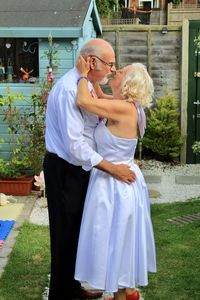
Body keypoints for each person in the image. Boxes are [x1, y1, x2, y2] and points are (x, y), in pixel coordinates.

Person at [43, 38, 136, 300]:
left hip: (82, 169)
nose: (113, 70)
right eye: (110, 64)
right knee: (64, 235)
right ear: (92, 61)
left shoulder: (88, 86)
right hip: (64, 170)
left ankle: (74, 287)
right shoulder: (69, 91)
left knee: (78, 231)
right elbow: (75, 146)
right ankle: (61, 295)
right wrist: (113, 168)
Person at [74, 56, 157, 300]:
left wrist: (81, 74)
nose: (114, 71)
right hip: (116, 179)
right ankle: (127, 290)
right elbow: (98, 97)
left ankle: (121, 292)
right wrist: (93, 77)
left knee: (113, 237)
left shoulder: (123, 108)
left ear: (127, 82)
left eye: (119, 71)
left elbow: (84, 100)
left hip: (116, 183)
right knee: (116, 237)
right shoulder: (123, 104)